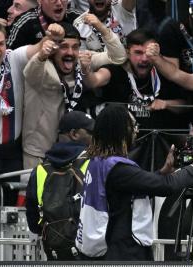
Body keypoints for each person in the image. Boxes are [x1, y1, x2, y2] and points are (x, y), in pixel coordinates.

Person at [75, 105, 193, 260]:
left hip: (106, 249)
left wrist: (162, 172)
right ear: (120, 131)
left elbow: (134, 185)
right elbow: (166, 186)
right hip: (122, 254)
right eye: (133, 126)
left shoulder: (98, 162)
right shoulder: (118, 168)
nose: (136, 131)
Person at [21, 19, 126, 170]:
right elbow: (30, 73)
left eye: (75, 47)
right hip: (38, 150)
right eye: (64, 47)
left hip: (71, 150)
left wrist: (100, 27)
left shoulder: (80, 60)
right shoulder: (41, 64)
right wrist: (41, 55)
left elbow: (119, 57)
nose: (70, 52)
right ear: (54, 48)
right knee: (33, 192)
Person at [0, 20, 62, 182]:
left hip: (10, 155)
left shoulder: (13, 59)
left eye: (0, 44)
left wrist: (53, 37)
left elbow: (39, 47)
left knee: (9, 205)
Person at [84, 29, 190, 133]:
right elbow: (93, 81)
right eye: (138, 53)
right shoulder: (115, 70)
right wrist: (86, 69)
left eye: (149, 53)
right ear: (128, 53)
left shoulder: (164, 71)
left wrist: (166, 103)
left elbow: (186, 106)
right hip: (124, 140)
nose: (144, 59)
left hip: (160, 140)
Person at [25, 111, 93, 260]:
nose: (95, 137)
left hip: (54, 256)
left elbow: (33, 223)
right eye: (91, 132)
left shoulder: (40, 170)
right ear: (74, 134)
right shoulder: (94, 164)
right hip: (91, 258)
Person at [7, 0, 80, 49]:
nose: (59, 3)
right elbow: (8, 56)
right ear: (39, 1)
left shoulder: (77, 18)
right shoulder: (25, 21)